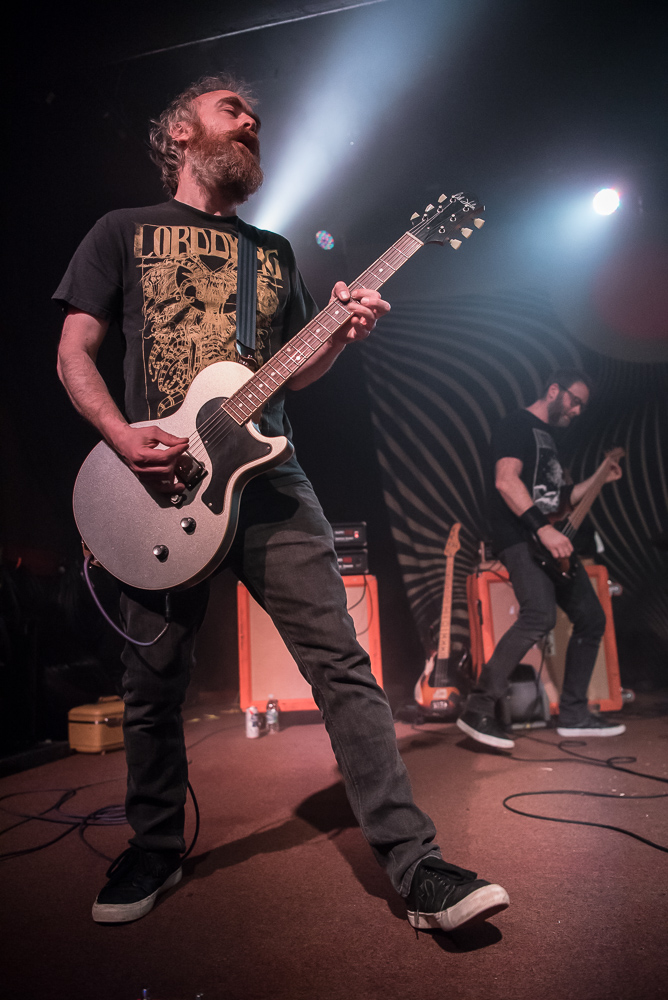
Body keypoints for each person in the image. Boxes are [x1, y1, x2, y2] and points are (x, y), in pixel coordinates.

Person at [54, 74, 509, 930]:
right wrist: (120, 435)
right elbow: (74, 352)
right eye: (232, 109)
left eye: (255, 116)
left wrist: (339, 331)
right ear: (180, 132)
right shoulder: (121, 232)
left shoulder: (274, 254)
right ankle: (154, 848)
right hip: (158, 484)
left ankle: (416, 868)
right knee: (152, 683)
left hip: (271, 482)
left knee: (342, 664)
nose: (252, 121)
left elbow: (293, 373)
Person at [457, 370, 625, 749]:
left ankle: (575, 714)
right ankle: (478, 709)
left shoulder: (548, 438)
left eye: (582, 404)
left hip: (549, 537)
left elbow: (561, 498)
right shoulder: (517, 424)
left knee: (591, 618)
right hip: (520, 538)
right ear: (554, 391)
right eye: (574, 400)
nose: (578, 410)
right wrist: (542, 530)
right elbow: (506, 481)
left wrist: (601, 476)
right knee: (539, 616)